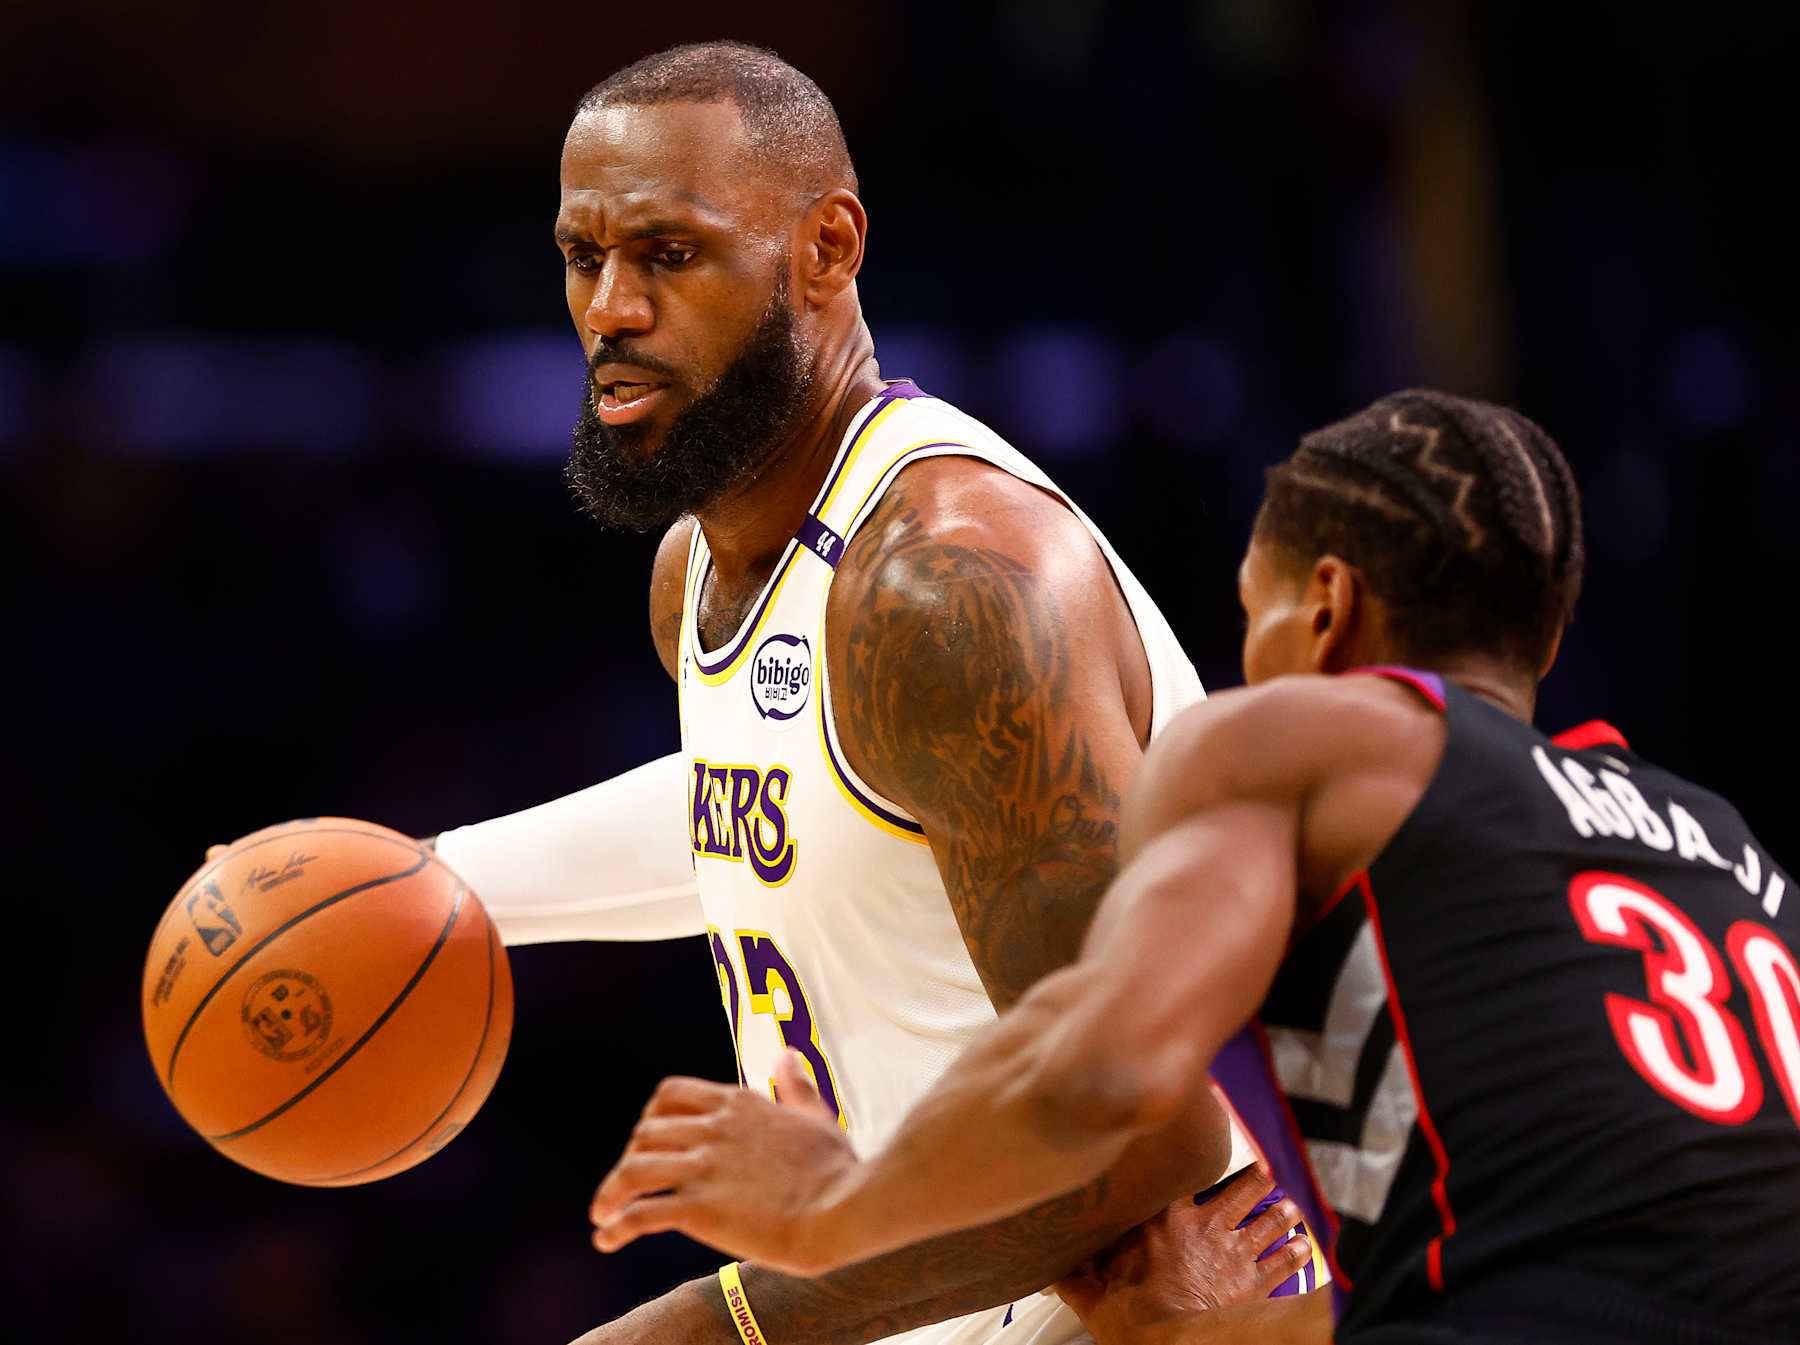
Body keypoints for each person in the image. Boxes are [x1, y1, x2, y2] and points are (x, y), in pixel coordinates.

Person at [423, 39, 1323, 1345]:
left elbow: (1140, 1135)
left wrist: (708, 1327)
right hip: (936, 1291)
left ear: (827, 249)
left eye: (669, 254)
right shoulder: (699, 571)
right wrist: (432, 886)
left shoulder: (949, 586)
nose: (610, 308)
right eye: (583, 256)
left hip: (1165, 1289)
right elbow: (785, 810)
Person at [589, 390, 1800, 1345]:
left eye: (1249, 617)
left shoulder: (1307, 740)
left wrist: (829, 1210)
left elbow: (1096, 1072)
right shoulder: (1720, 846)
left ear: (1325, 609)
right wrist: (1206, 1334)